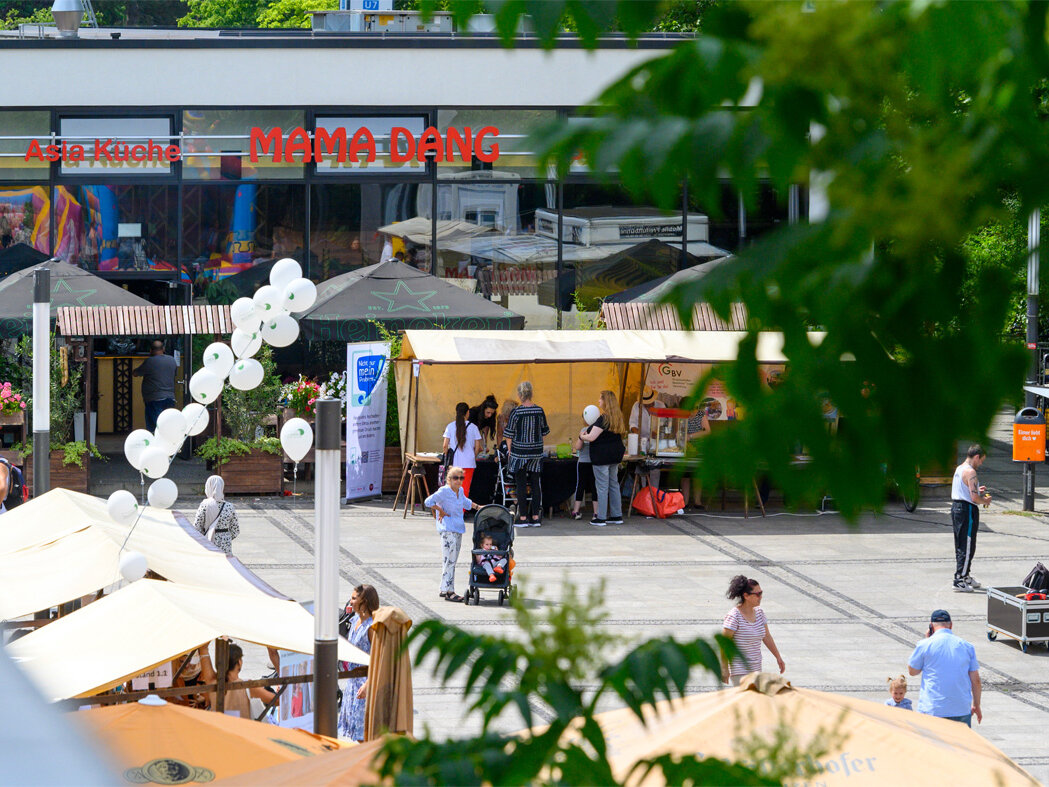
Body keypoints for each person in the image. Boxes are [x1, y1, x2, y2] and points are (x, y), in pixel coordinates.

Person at [908, 609, 982, 726]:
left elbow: (912, 671)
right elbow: (976, 681)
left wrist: (928, 640)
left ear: (931, 626)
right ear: (951, 625)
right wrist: (976, 705)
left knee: (932, 744)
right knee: (960, 744)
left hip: (932, 709)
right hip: (960, 709)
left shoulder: (925, 645)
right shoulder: (966, 646)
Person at [425, 465, 480, 603]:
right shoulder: (444, 491)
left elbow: (466, 503)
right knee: (450, 560)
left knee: (450, 560)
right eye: (456, 478)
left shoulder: (460, 491)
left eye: (461, 478)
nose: (459, 480)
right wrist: (439, 510)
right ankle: (450, 592)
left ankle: (444, 588)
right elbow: (428, 501)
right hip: (448, 529)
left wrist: (478, 507)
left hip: (458, 528)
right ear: (449, 479)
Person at [720, 575, 785, 686]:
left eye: (761, 593)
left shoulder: (759, 613)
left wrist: (778, 657)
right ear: (746, 596)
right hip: (739, 670)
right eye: (758, 594)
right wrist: (724, 669)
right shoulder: (734, 616)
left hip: (756, 669)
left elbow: (767, 636)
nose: (761, 597)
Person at [502, 382, 550, 528]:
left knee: (521, 484)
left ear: (520, 395)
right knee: (536, 483)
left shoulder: (516, 412)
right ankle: (535, 516)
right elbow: (544, 432)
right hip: (535, 451)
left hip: (519, 452)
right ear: (531, 394)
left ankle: (522, 517)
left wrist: (510, 451)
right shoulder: (539, 410)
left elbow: (509, 434)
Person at [337, 584, 379, 742]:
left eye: (355, 598)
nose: (351, 601)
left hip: (365, 683)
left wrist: (368, 684)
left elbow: (379, 657)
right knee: (354, 734)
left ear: (365, 602)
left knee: (365, 736)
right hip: (353, 684)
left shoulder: (372, 627)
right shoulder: (355, 620)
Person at [579, 391, 627, 527]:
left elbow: (591, 437)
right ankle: (616, 515)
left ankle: (601, 517)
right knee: (613, 485)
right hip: (615, 456)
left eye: (600, 399)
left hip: (602, 457)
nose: (598, 401)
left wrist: (582, 436)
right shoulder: (618, 417)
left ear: (606, 401)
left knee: (601, 486)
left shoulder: (603, 419)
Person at [197, 640, 275, 719]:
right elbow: (275, 700)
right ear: (239, 662)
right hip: (240, 730)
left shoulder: (212, 682)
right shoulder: (248, 686)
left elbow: (204, 652)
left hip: (219, 729)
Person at [951, 444, 991, 592]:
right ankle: (959, 579)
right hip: (966, 509)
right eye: (981, 460)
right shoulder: (971, 472)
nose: (981, 463)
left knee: (961, 543)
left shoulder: (960, 468)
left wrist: (976, 489)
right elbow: (974, 498)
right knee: (967, 545)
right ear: (976, 457)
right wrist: (985, 501)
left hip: (957, 508)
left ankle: (965, 574)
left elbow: (966, 489)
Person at [133, 340, 178, 433]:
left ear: (150, 350)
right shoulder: (172, 360)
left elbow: (136, 373)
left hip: (154, 399)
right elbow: (174, 374)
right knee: (168, 424)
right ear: (163, 349)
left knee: (156, 428)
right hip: (170, 398)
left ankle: (157, 446)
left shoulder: (149, 361)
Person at [193, 475, 240, 555]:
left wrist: (205, 536)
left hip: (208, 541)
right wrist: (226, 537)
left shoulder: (205, 505)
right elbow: (235, 530)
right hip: (226, 544)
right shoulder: (229, 506)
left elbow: (196, 527)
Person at [443, 402, 482, 494]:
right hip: (469, 463)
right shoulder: (474, 427)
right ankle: (462, 509)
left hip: (454, 463)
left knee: (453, 488)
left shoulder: (450, 426)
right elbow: (477, 448)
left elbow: (445, 446)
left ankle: (452, 508)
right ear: (468, 412)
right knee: (465, 489)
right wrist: (473, 456)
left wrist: (447, 455)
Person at [681, 405, 712, 510]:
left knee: (697, 474)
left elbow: (707, 431)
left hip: (699, 447)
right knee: (685, 475)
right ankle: (685, 501)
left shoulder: (700, 414)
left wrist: (691, 436)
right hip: (686, 448)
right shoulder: (682, 415)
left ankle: (697, 501)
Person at [570, 424, 597, 521]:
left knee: (580, 485)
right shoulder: (599, 430)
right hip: (595, 463)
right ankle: (596, 513)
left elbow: (577, 447)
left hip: (583, 462)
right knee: (595, 487)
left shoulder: (584, 430)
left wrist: (581, 437)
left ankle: (576, 511)